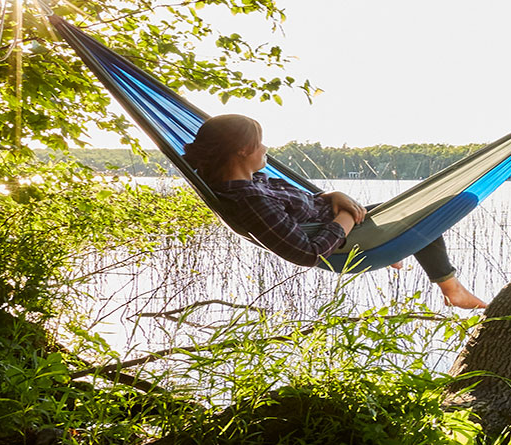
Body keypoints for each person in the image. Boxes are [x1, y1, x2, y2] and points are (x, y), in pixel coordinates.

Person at [182, 114, 487, 309]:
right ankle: (452, 289)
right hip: (342, 242)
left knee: (408, 212)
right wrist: (347, 216)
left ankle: (398, 250)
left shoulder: (255, 180)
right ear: (241, 149)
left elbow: (303, 200)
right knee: (450, 204)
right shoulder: (248, 198)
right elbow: (305, 252)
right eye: (259, 143)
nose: (265, 149)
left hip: (341, 223)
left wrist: (332, 195)